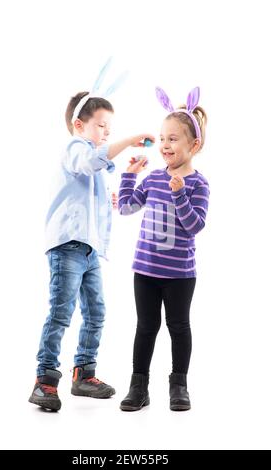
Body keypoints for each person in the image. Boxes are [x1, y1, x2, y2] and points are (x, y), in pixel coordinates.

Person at [28, 85, 155, 411]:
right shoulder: (75, 148)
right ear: (78, 125)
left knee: (96, 313)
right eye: (101, 126)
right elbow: (88, 163)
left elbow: (92, 194)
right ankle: (44, 380)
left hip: (89, 250)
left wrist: (112, 197)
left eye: (110, 129)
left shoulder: (95, 162)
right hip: (68, 246)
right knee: (61, 312)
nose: (106, 133)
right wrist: (125, 141)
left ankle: (84, 373)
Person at [118, 87, 210, 411]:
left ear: (193, 145)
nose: (165, 145)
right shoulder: (154, 178)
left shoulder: (198, 184)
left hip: (180, 275)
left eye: (173, 139)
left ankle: (179, 386)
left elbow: (195, 225)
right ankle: (138, 385)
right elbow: (127, 207)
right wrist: (129, 176)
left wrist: (181, 194)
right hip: (145, 270)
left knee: (178, 326)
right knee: (145, 327)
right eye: (162, 138)